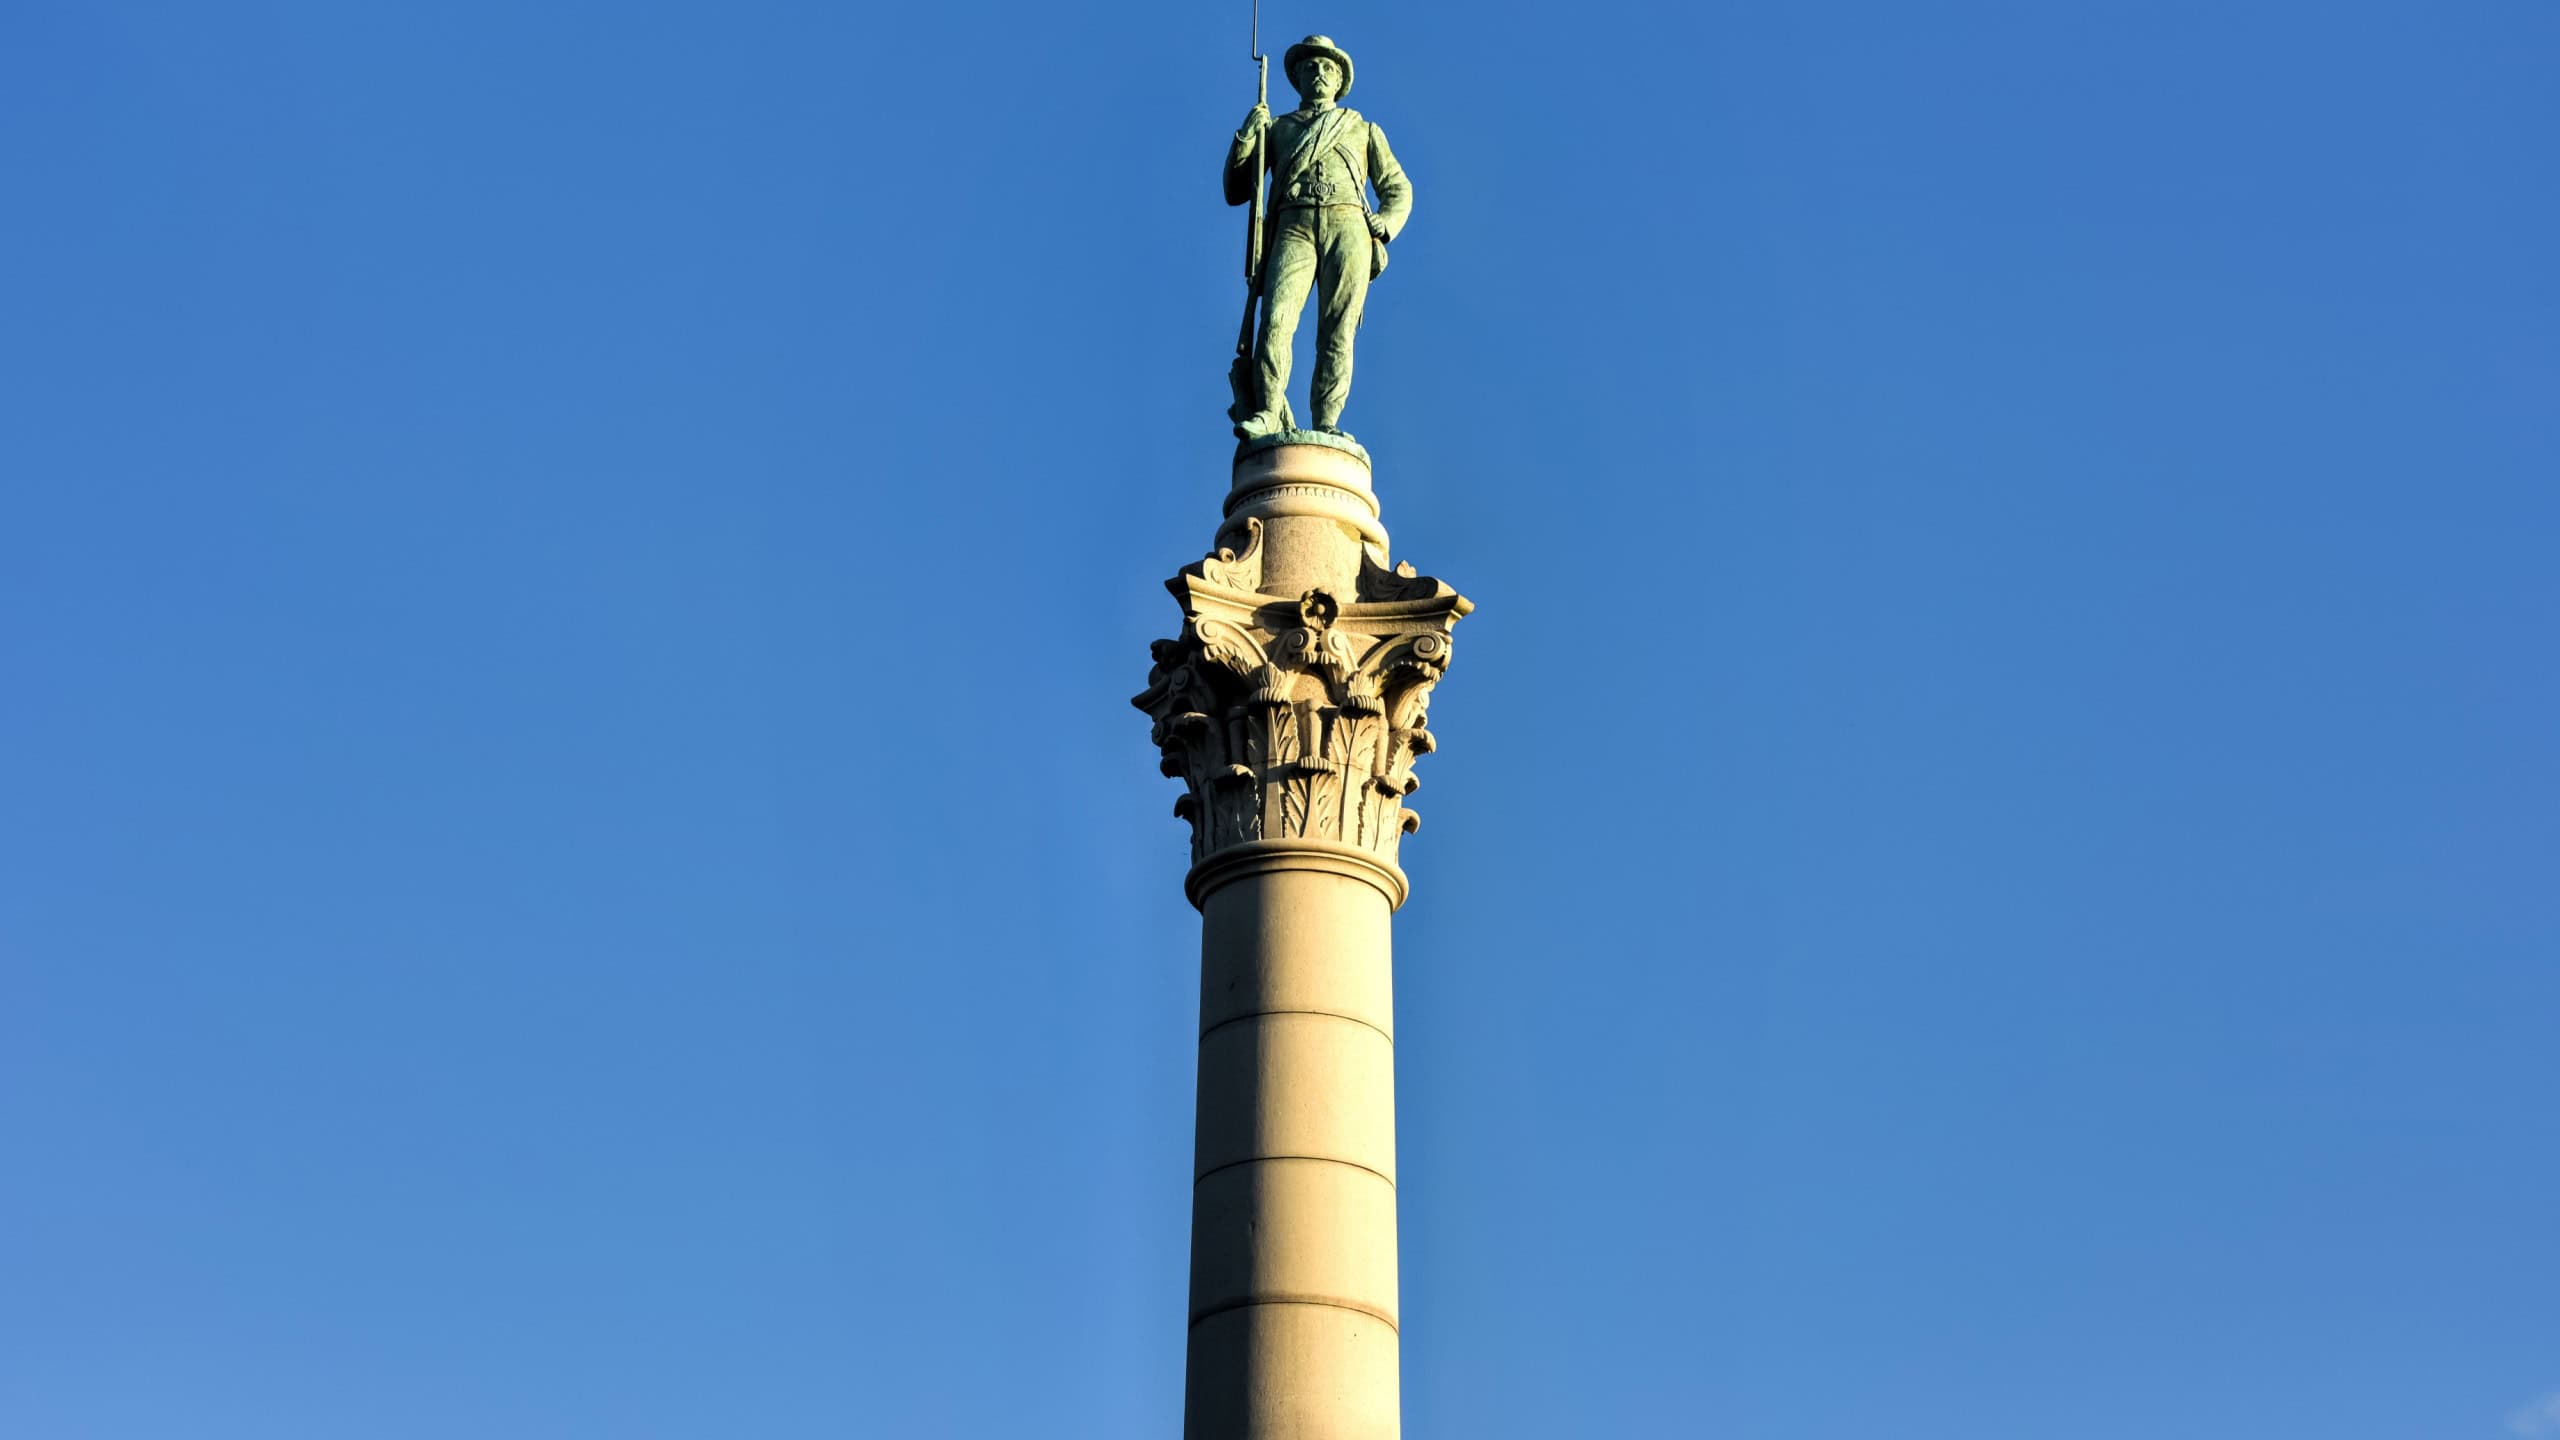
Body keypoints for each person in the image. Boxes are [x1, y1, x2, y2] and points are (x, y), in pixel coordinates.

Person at [1224, 35, 1412, 439]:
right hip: (1292, 224)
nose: (1319, 73)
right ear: (1297, 78)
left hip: (1349, 226)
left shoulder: (1361, 128)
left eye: (1329, 67)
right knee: (1275, 320)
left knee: (1338, 330)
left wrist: (1386, 221)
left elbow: (1397, 185)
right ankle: (1269, 411)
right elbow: (1236, 189)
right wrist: (1247, 134)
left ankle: (1326, 421)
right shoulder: (1278, 129)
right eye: (1311, 66)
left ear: (1340, 78)